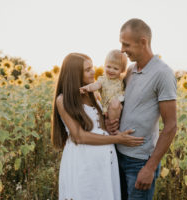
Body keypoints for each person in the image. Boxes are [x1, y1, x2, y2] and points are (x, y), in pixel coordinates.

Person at [51, 52, 144, 200]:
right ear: (75, 74)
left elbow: (99, 126)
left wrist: (110, 123)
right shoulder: (63, 100)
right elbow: (79, 136)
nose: (93, 71)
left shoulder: (93, 94)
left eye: (92, 67)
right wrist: (118, 139)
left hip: (105, 162)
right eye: (88, 70)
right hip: (83, 161)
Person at [106, 18, 177, 200]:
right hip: (117, 154)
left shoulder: (163, 73)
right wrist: (111, 122)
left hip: (139, 163)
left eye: (126, 44)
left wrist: (150, 167)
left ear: (143, 42)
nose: (122, 50)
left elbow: (171, 126)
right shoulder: (130, 70)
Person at [79, 50, 127, 127]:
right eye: (108, 67)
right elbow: (96, 85)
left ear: (122, 70)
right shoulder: (103, 80)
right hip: (108, 107)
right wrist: (88, 88)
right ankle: (112, 126)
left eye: (115, 68)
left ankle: (115, 126)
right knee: (115, 104)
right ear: (105, 65)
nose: (111, 70)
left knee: (118, 104)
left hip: (119, 106)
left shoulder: (121, 79)